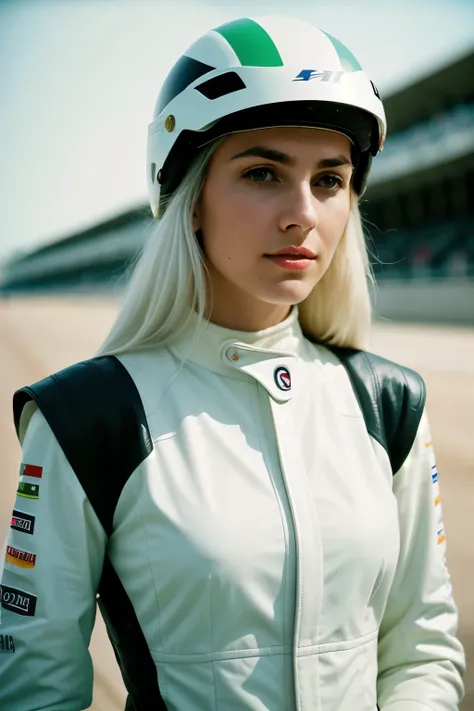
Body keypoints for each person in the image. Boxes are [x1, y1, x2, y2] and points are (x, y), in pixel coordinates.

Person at [0, 15, 465, 711]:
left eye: (330, 180)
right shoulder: (85, 416)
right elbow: (34, 687)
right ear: (190, 199)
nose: (302, 213)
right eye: (263, 172)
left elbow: (423, 648)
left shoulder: (390, 404)